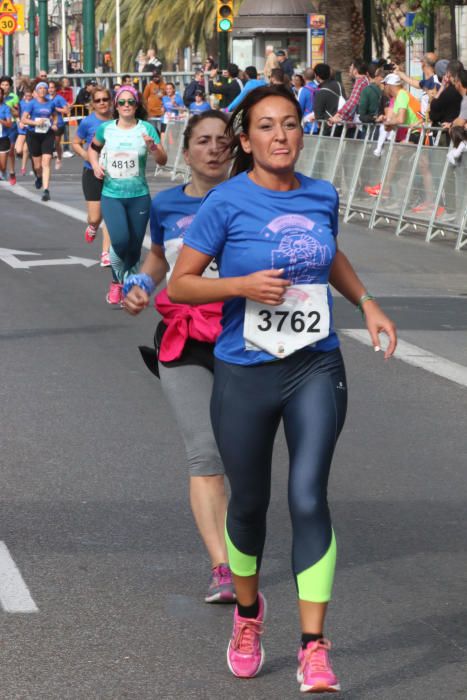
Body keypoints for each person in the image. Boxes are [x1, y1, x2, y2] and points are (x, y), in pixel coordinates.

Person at [168, 84, 397, 692]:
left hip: (314, 365)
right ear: (246, 140)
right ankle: (247, 616)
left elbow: (330, 255)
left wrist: (367, 303)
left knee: (307, 497)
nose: (280, 136)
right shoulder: (226, 201)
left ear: (302, 133)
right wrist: (239, 287)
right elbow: (181, 285)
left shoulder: (322, 194)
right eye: (266, 127)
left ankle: (314, 648)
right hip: (245, 369)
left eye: (290, 125)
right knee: (248, 504)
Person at [122, 110, 237, 602]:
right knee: (205, 453)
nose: (213, 149)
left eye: (222, 140)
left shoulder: (252, 198)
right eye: (203, 141)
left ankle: (243, 547)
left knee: (245, 458)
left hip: (245, 337)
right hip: (186, 337)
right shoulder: (166, 204)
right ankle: (223, 567)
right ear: (185, 150)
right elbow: (159, 258)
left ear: (236, 148)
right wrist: (142, 285)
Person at [87, 86, 167, 305]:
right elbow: (93, 149)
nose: (126, 106)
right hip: (112, 195)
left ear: (137, 104)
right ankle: (116, 281)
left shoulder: (147, 128)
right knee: (121, 241)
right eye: (121, 102)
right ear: (116, 105)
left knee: (134, 247)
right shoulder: (106, 129)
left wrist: (153, 148)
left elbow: (163, 160)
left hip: (139, 195)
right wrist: (95, 165)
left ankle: (127, 286)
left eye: (130, 102)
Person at [72, 86, 113, 267]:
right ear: (93, 104)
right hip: (92, 172)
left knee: (111, 214)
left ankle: (106, 253)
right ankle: (93, 226)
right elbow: (75, 142)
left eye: (105, 99)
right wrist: (87, 156)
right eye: (98, 100)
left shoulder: (118, 121)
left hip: (114, 174)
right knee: (95, 217)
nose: (102, 103)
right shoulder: (88, 122)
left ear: (110, 101)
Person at [21, 81, 59, 201]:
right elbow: (23, 119)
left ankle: (46, 190)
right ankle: (38, 177)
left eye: (45, 88)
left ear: (47, 90)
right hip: (33, 135)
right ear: (36, 91)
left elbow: (55, 116)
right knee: (37, 166)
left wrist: (55, 124)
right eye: (40, 88)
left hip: (47, 134)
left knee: (46, 162)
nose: (42, 90)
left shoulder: (51, 103)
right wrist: (35, 122)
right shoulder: (31, 104)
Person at [328, 59, 369, 126]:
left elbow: (353, 102)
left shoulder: (360, 82)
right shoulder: (365, 80)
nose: (349, 70)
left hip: (361, 121)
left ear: (355, 70)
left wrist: (338, 115)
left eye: (351, 68)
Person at [0, 75, 19, 184]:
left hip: (10, 127)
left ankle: (12, 171)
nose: (5, 86)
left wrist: (8, 106)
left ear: (10, 86)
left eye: (7, 85)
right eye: (2, 84)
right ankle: (3, 170)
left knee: (11, 150)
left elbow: (17, 113)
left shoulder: (13, 97)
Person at [47, 80, 69, 170]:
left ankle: (59, 158)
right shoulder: (45, 97)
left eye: (52, 87)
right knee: (47, 143)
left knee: (56, 143)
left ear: (55, 88)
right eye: (49, 87)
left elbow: (66, 110)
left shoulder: (59, 98)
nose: (50, 89)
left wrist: (56, 108)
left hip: (58, 123)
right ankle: (45, 162)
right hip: (47, 124)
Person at [15, 85, 33, 176]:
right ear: (24, 95)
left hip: (30, 129)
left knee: (26, 150)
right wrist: (19, 122)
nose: (28, 97)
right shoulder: (21, 103)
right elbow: (17, 115)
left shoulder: (34, 103)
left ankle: (23, 168)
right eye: (27, 96)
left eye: (30, 96)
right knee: (19, 150)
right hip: (22, 130)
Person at [0, 86, 12, 177]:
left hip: (3, 138)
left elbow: (9, 124)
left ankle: (3, 171)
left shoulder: (5, 108)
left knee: (3, 166)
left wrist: (1, 120)